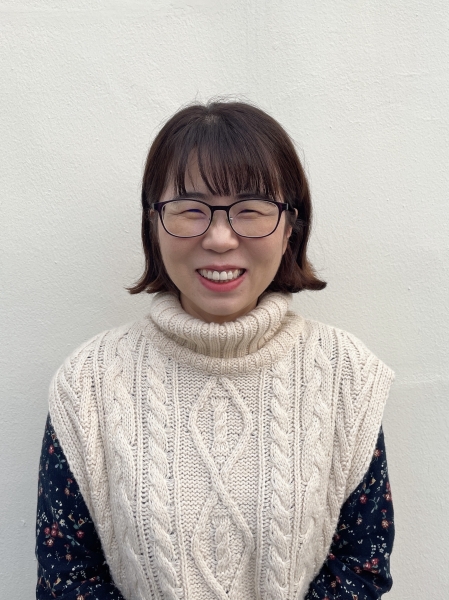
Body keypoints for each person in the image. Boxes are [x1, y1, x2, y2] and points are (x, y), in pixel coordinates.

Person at [36, 100, 395, 600]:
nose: (221, 238)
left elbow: (362, 567)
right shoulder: (89, 382)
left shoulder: (345, 374)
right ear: (154, 224)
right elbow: (67, 579)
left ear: (290, 226)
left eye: (251, 209)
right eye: (191, 210)